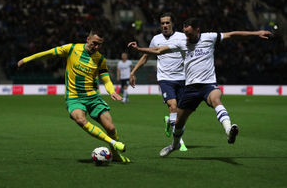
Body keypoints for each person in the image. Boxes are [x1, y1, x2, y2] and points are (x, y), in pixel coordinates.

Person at [128, 17, 272, 157]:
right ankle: (174, 145)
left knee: (216, 99)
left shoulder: (209, 37)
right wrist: (139, 48)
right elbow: (158, 50)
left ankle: (228, 130)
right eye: (185, 34)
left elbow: (232, 35)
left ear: (198, 30)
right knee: (179, 123)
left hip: (208, 85)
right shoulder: (182, 43)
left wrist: (256, 33)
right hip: (190, 88)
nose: (187, 37)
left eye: (189, 34)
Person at [18, 29, 130, 163]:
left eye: (100, 45)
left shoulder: (100, 59)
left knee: (111, 128)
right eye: (94, 43)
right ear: (88, 40)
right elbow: (49, 53)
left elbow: (106, 79)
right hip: (74, 97)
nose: (97, 47)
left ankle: (116, 155)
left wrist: (111, 91)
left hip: (93, 97)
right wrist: (26, 59)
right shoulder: (72, 48)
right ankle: (113, 143)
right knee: (80, 119)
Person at [129, 12, 187, 151]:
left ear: (173, 23)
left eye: (167, 22)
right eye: (162, 23)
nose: (165, 25)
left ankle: (169, 121)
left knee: (180, 113)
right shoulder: (156, 39)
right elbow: (146, 56)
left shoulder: (182, 37)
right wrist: (133, 71)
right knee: (173, 106)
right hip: (165, 79)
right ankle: (179, 141)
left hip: (182, 78)